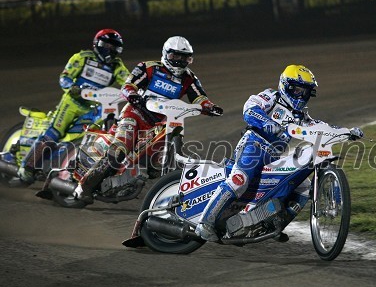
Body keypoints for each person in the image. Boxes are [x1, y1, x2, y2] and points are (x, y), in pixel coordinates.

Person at [195, 64, 363, 241]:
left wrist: (346, 132)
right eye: (297, 90)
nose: (301, 95)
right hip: (253, 146)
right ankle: (205, 222)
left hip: (274, 157)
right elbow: (250, 108)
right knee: (240, 180)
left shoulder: (301, 116)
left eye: (305, 92)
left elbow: (321, 127)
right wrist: (267, 122)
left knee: (303, 187)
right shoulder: (271, 97)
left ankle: (271, 223)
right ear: (286, 86)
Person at [73, 35, 223, 203]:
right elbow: (128, 86)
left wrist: (210, 107)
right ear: (166, 54)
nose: (179, 61)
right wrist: (133, 95)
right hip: (135, 115)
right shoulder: (148, 68)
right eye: (175, 56)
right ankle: (84, 187)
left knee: (155, 164)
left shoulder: (190, 78)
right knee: (118, 152)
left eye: (184, 57)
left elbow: (199, 98)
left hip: (162, 123)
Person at [17, 28, 130, 184]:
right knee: (55, 132)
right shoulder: (82, 57)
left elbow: (128, 82)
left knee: (95, 133)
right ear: (98, 44)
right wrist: (72, 87)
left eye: (114, 47)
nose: (110, 50)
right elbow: (64, 77)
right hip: (71, 103)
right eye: (107, 45)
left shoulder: (117, 65)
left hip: (94, 107)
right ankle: (27, 167)